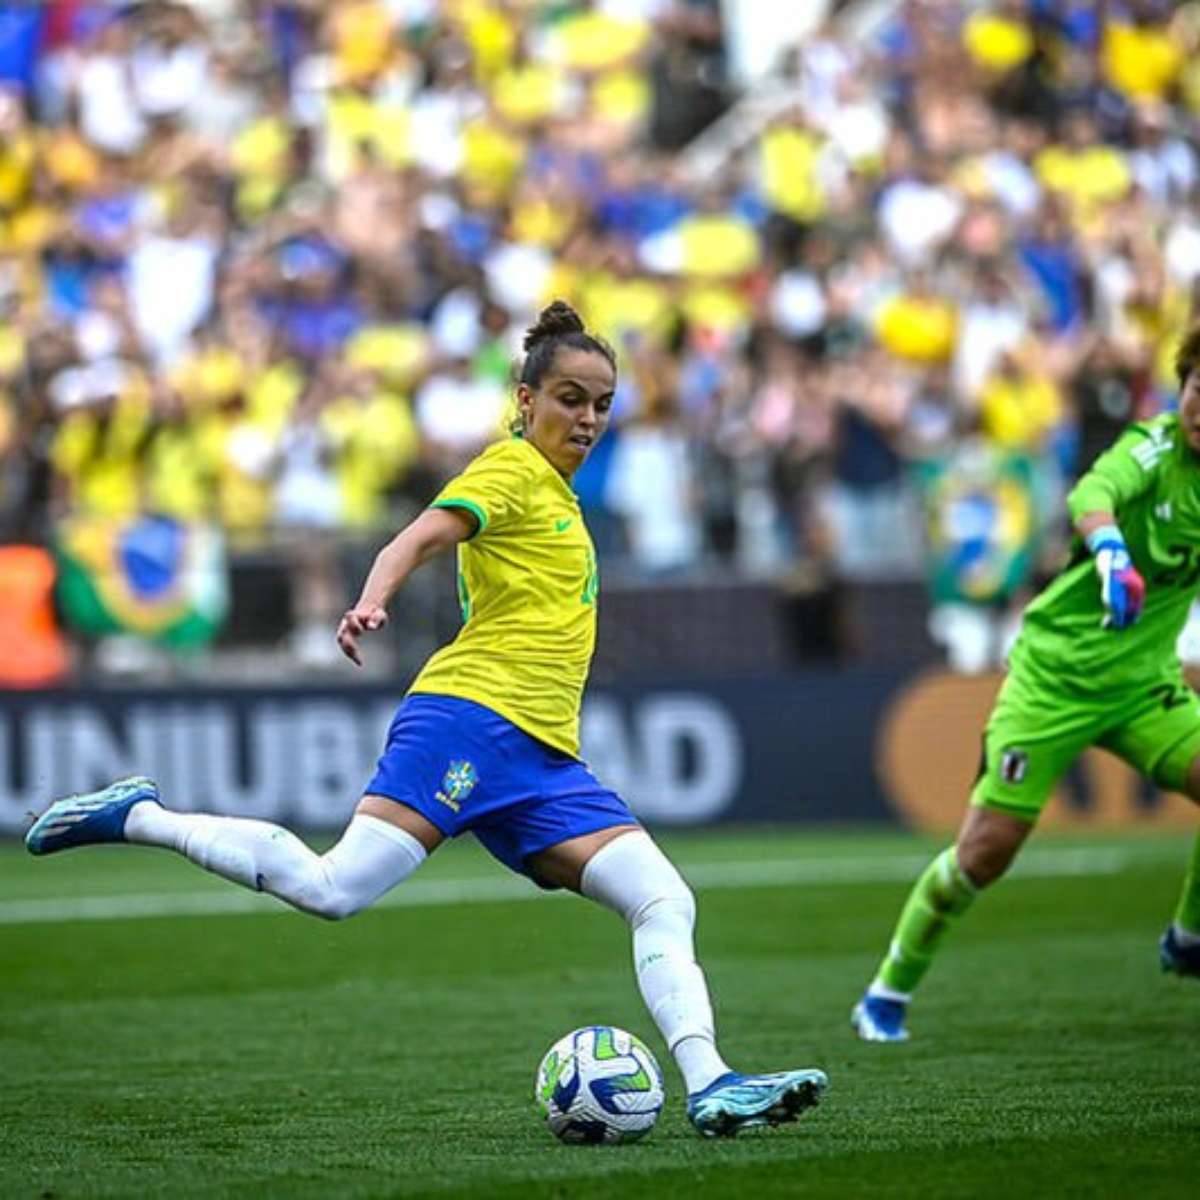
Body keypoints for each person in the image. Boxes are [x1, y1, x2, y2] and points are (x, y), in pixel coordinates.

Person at [26, 301, 827, 1136]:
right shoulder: (510, 470)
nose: (587, 418)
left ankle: (711, 1083)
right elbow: (417, 535)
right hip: (471, 721)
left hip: (545, 760)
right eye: (569, 398)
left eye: (599, 403)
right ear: (525, 402)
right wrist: (370, 603)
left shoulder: (556, 494)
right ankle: (140, 816)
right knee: (334, 889)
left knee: (664, 898)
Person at [852, 321, 1200, 1043]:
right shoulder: (1153, 446)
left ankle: (1189, 937)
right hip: (1053, 678)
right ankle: (888, 988)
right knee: (987, 850)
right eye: (1198, 388)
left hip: (1142, 686)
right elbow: (1092, 493)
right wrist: (1109, 550)